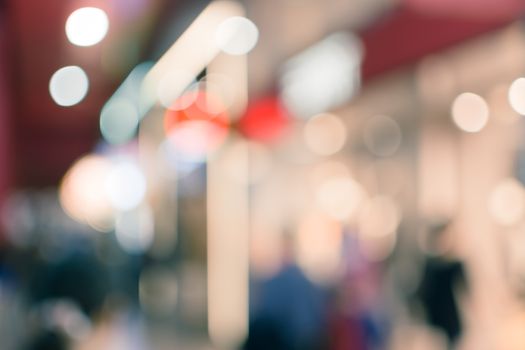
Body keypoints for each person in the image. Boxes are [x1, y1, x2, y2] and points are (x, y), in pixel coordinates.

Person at [416, 220, 468, 350]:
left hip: (450, 314)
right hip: (438, 316)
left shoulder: (454, 264)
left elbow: (465, 287)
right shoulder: (431, 265)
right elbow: (424, 292)